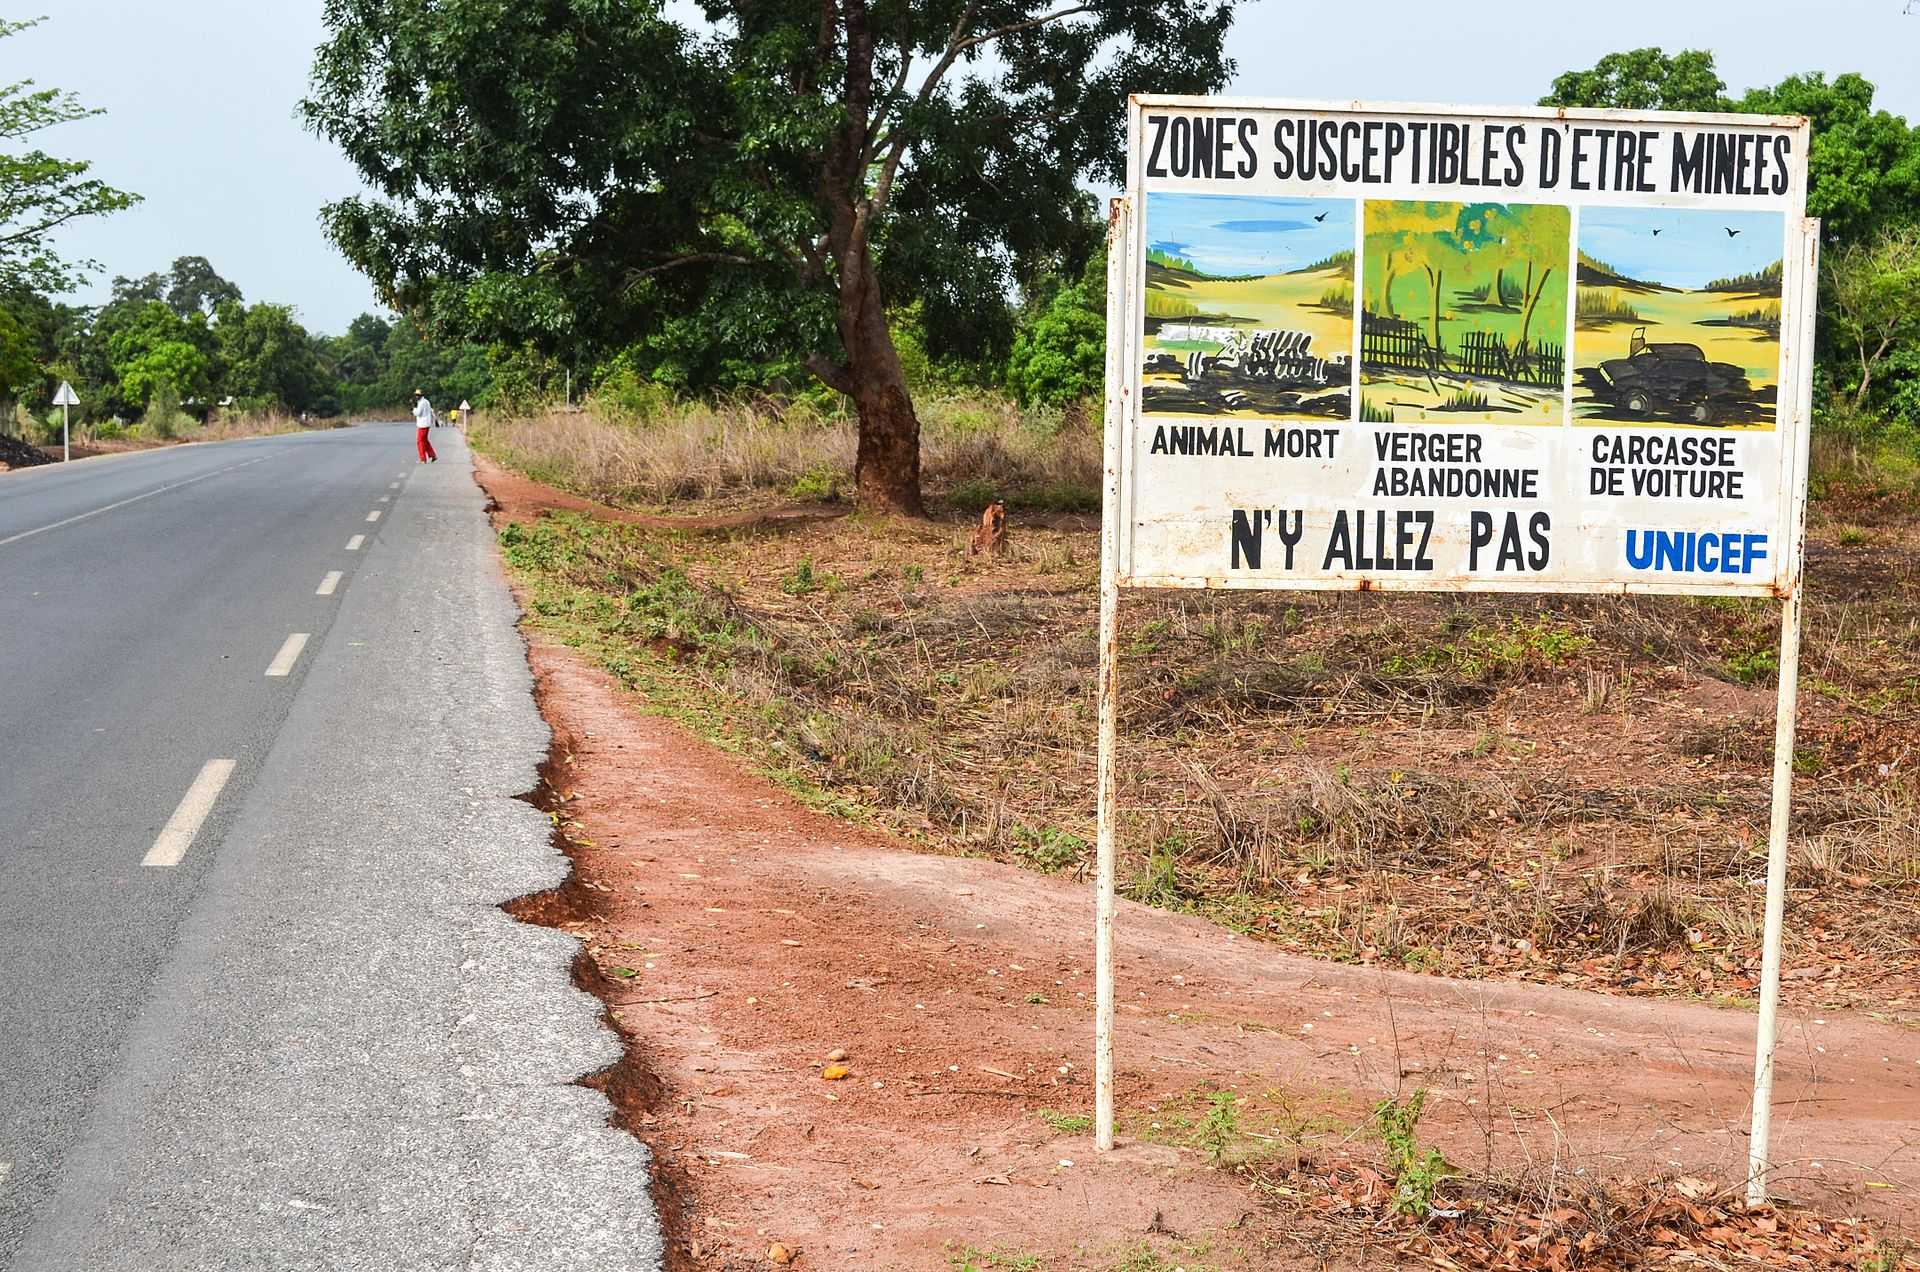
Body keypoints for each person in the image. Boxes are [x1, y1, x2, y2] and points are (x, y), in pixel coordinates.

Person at [413, 389, 437, 463]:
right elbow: (431, 410)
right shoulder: (426, 401)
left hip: (422, 424)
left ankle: (423, 459)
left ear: (421, 395)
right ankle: (433, 455)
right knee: (425, 441)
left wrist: (413, 409)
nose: (416, 396)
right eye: (416, 395)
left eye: (418, 395)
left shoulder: (421, 403)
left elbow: (418, 413)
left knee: (419, 441)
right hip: (426, 423)